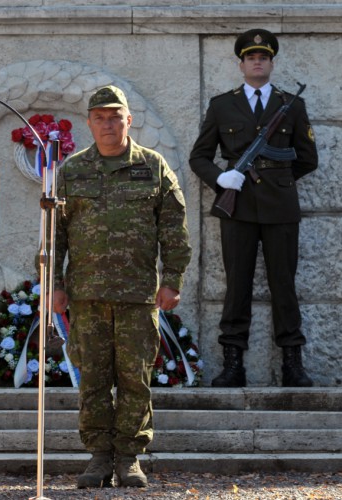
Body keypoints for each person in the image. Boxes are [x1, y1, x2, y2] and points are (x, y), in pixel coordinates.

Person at [53, 85, 191, 489]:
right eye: (100, 117)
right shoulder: (73, 171)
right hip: (87, 297)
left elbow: (174, 231)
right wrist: (55, 284)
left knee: (134, 379)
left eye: (115, 116)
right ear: (90, 124)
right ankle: (98, 458)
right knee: (94, 379)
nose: (108, 124)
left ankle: (128, 458)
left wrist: (172, 281)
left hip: (137, 297)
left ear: (129, 120)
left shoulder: (153, 166)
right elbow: (54, 234)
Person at [189, 29, 318, 388]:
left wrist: (277, 179)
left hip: (280, 209)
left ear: (272, 63)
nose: (257, 61)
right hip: (238, 205)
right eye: (250, 57)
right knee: (237, 285)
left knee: (284, 285)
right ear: (241, 64)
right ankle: (233, 365)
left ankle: (292, 363)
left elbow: (307, 159)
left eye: (263, 57)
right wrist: (222, 179)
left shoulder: (291, 104)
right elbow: (199, 157)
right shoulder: (222, 105)